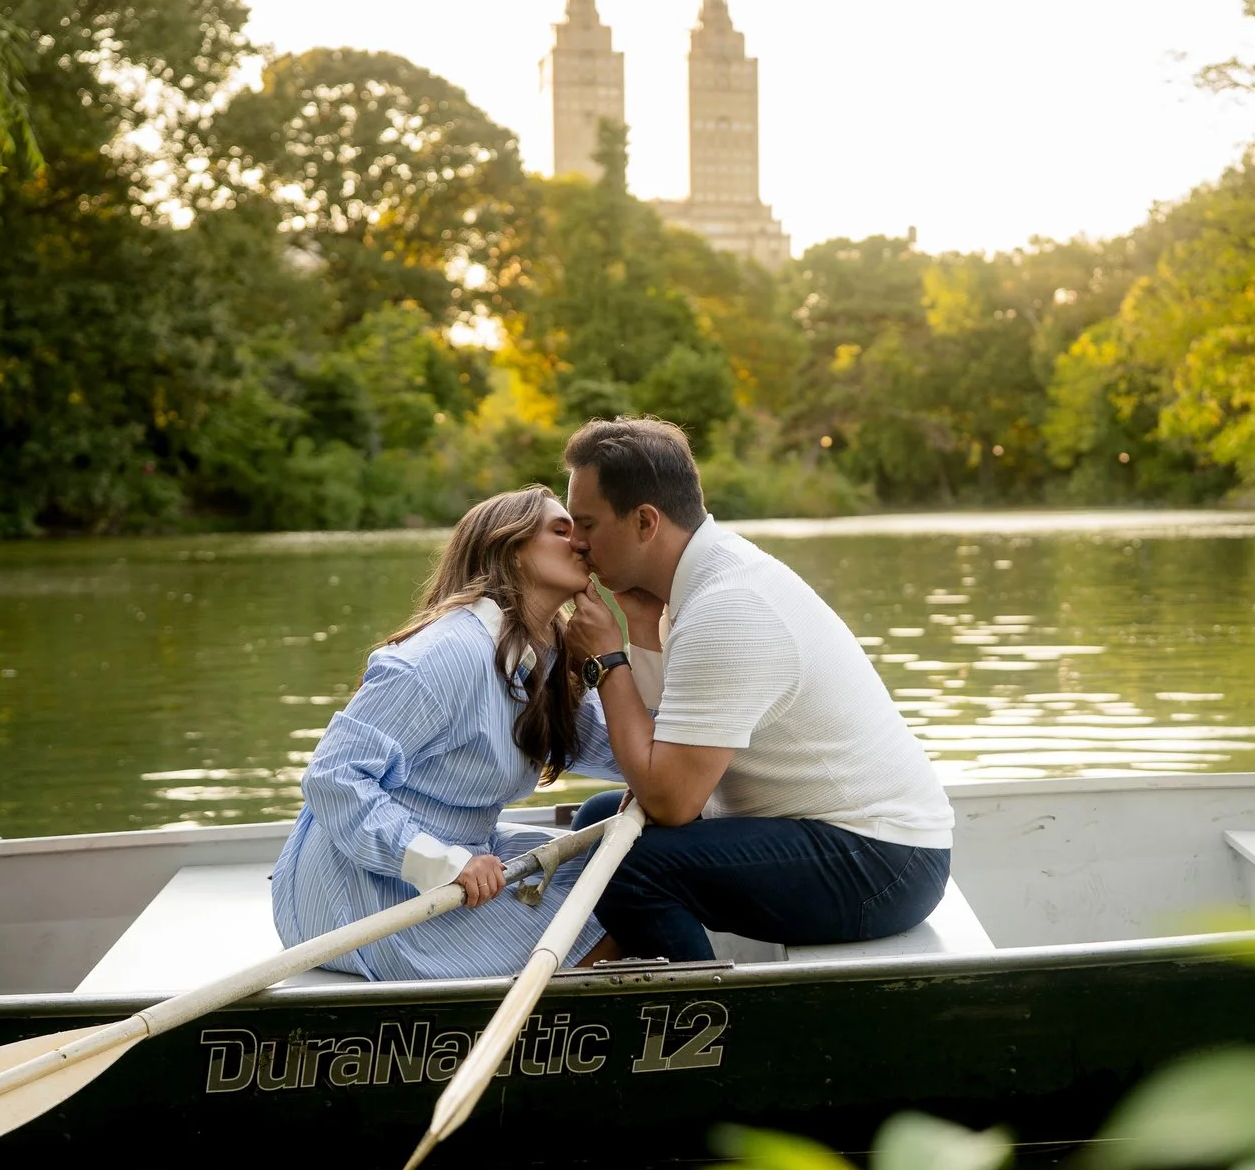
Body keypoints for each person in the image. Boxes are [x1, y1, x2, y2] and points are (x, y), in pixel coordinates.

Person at [560, 417, 952, 961]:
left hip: (883, 862)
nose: (575, 544)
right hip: (843, 838)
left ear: (646, 521)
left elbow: (672, 800)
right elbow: (665, 748)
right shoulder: (699, 580)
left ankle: (706, 1018)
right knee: (601, 822)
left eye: (586, 524)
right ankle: (627, 963)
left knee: (629, 866)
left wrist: (606, 661)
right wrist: (644, 629)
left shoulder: (727, 607)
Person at [271, 486, 620, 979]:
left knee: (630, 880)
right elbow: (334, 778)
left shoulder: (539, 662)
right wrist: (444, 864)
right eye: (560, 531)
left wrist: (632, 634)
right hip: (361, 895)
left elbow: (623, 751)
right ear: (509, 548)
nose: (581, 543)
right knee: (612, 933)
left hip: (468, 859)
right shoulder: (449, 653)